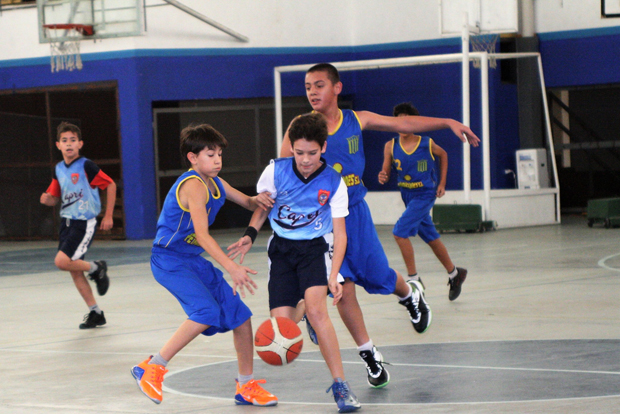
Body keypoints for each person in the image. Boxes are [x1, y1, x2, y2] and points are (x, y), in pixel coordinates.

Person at [279, 63, 480, 388]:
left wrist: (448, 122)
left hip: (355, 214)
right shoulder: (300, 127)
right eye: (307, 87)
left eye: (319, 85)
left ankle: (410, 296)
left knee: (378, 275)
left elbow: (404, 123)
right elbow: (283, 171)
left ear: (337, 88)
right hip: (322, 221)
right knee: (343, 289)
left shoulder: (357, 119)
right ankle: (369, 355)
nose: (312, 92)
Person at [130, 124, 277, 407]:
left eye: (220, 154)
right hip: (169, 260)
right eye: (211, 155)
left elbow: (248, 202)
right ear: (193, 157)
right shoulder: (193, 185)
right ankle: (153, 366)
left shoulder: (216, 183)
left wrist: (259, 199)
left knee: (240, 316)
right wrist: (232, 267)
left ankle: (246, 386)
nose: (218, 160)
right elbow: (201, 235)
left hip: (191, 260)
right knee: (206, 312)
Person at [228, 113, 361, 412]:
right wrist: (250, 234)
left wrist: (334, 275)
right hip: (282, 250)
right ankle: (305, 309)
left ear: (323, 148)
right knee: (282, 329)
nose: (304, 160)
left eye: (312, 153)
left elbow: (340, 234)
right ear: (291, 148)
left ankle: (341, 386)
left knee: (318, 312)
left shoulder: (333, 181)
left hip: (315, 248)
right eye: (299, 152)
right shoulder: (275, 171)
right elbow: (263, 207)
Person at [378, 103, 467, 301]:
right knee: (431, 237)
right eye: (399, 121)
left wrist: (442, 183)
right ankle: (455, 274)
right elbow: (386, 170)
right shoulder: (390, 146)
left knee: (399, 232)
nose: (403, 125)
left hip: (425, 194)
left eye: (407, 121)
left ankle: (414, 280)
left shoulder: (426, 143)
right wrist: (383, 175)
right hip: (407, 195)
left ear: (415, 123)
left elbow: (444, 155)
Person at [40, 122, 116, 329]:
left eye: (73, 140)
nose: (69, 144)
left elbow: (110, 184)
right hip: (66, 223)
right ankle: (96, 313)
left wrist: (108, 215)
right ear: (58, 145)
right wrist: (47, 199)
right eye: (64, 140)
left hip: (83, 223)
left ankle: (97, 267)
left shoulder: (86, 166)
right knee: (74, 269)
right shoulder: (58, 169)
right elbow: (54, 196)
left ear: (80, 144)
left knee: (61, 261)